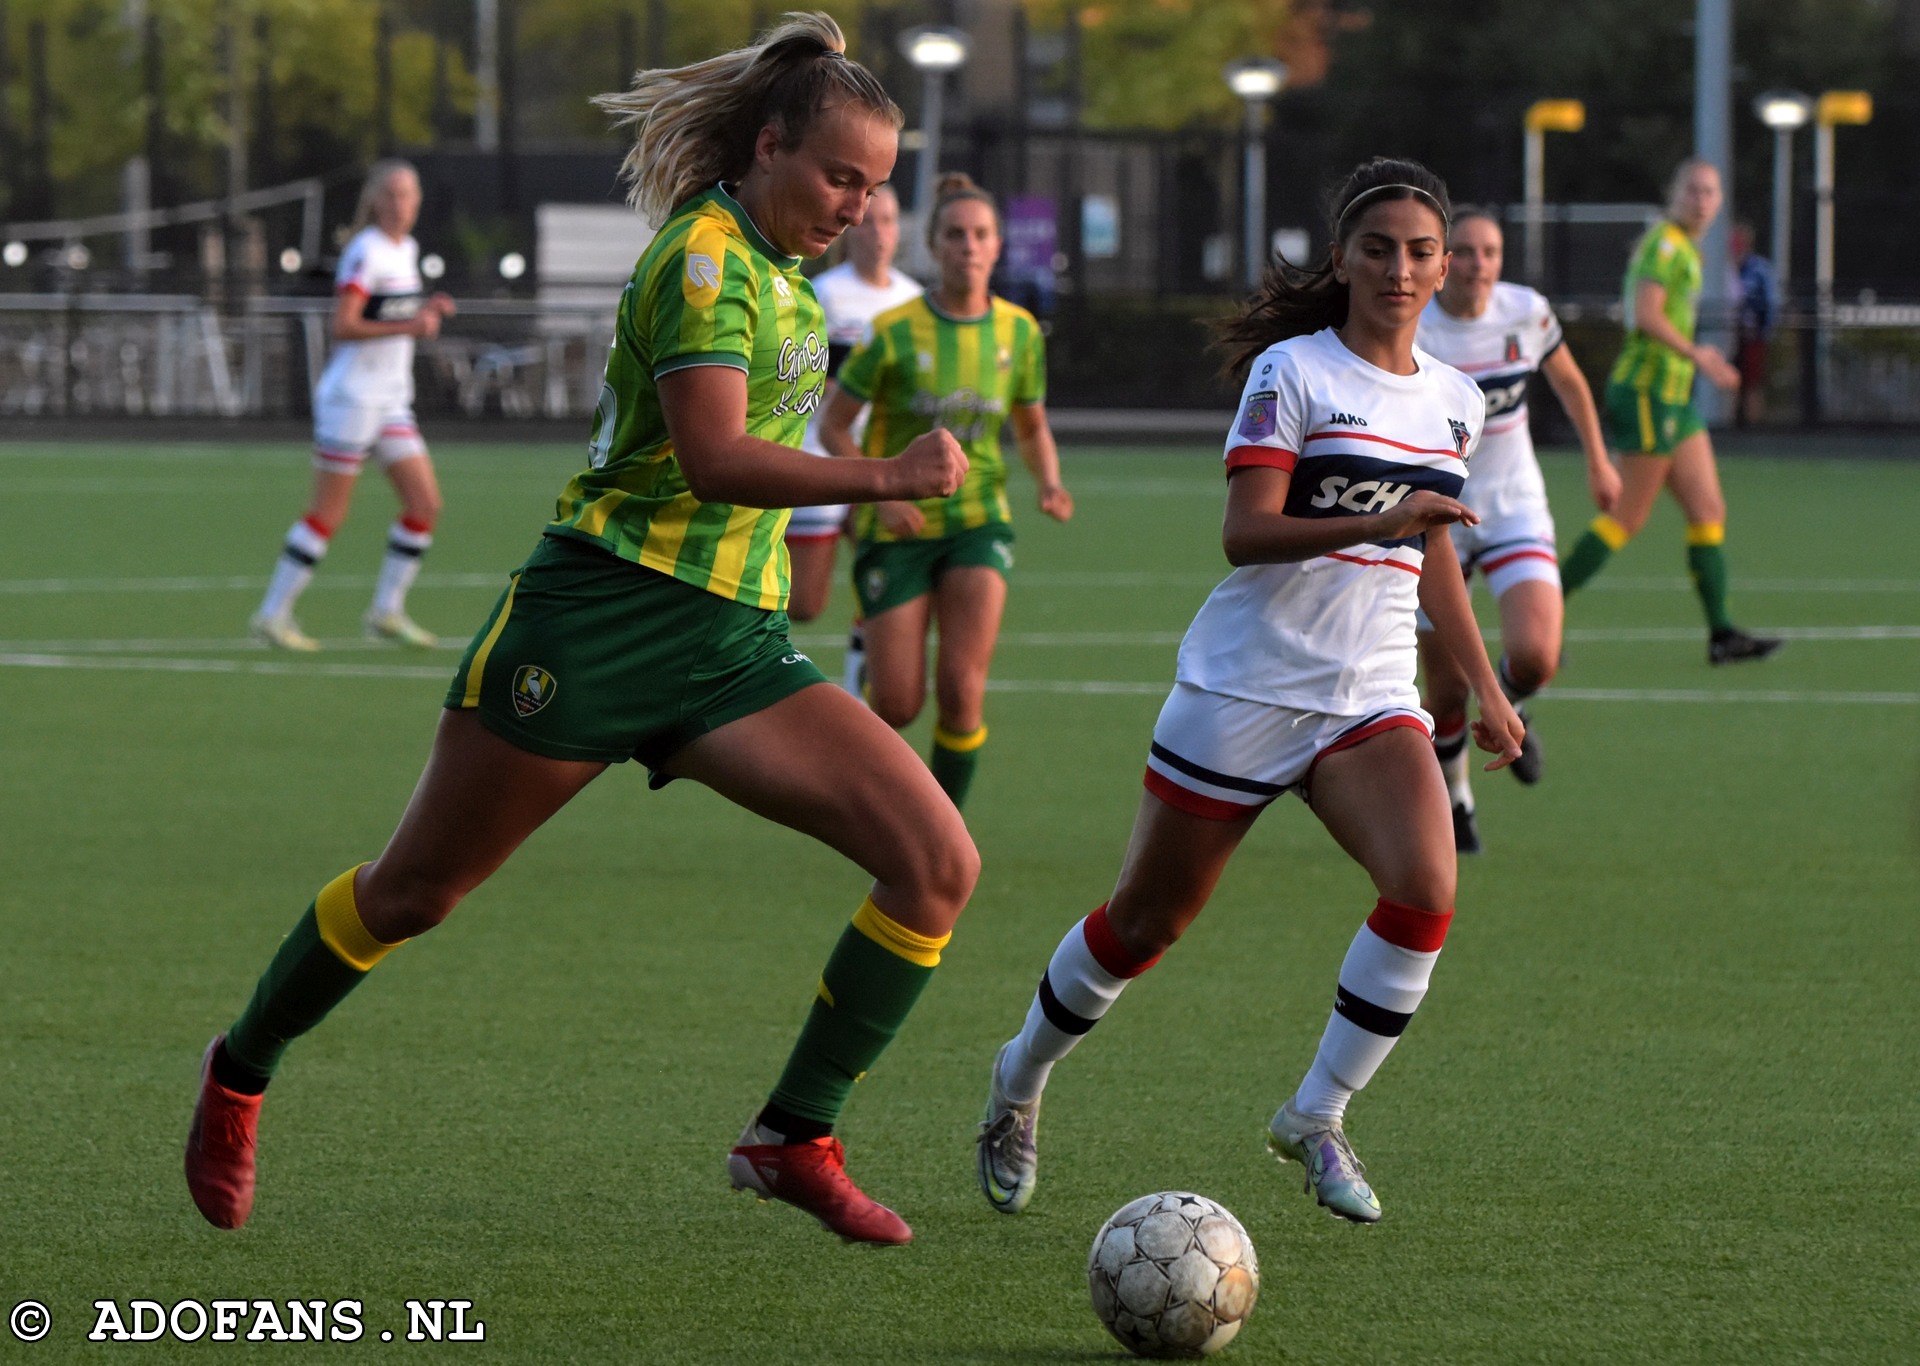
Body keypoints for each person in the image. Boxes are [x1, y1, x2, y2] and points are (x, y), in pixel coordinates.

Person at [185, 14, 976, 1248]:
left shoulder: (786, 273)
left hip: (731, 649)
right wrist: (889, 480)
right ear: (769, 147)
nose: (859, 209)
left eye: (875, 188)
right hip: (598, 620)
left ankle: (793, 1134)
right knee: (414, 893)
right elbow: (714, 457)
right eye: (840, 178)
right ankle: (239, 1069)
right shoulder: (704, 261)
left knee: (936, 864)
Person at [974, 159, 1525, 1226]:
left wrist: (1489, 691)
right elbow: (1246, 531)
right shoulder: (1293, 373)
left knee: (1426, 886)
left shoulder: (1455, 403)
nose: (1400, 269)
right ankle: (1019, 1080)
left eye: (1421, 251)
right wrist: (1377, 520)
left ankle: (1317, 1113)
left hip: (1367, 695)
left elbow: (1438, 556)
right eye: (1379, 249)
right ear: (1343, 259)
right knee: (1143, 922)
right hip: (1244, 688)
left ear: (1445, 262)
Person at [818, 172, 1071, 810]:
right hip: (897, 528)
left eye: (981, 234)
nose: (969, 246)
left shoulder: (1019, 333)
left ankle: (940, 825)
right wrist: (884, 494)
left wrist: (1049, 482)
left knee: (961, 688)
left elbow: (1031, 425)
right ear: (934, 246)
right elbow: (832, 424)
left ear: (998, 244)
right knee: (899, 704)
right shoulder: (896, 332)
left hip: (978, 520)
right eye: (955, 234)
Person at [1414, 207, 1619, 853]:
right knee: (1443, 690)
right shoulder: (1414, 325)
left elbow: (1571, 383)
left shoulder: (1526, 311)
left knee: (1537, 654)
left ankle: (1510, 704)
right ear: (1444, 261)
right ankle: (1457, 800)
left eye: (1492, 252)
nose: (1480, 265)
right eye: (1467, 252)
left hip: (1513, 506)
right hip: (1432, 513)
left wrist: (1597, 459)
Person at [1558, 161, 1780, 665]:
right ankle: (1544, 613)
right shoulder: (1665, 244)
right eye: (1693, 190)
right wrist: (1699, 354)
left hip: (1674, 397)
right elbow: (1647, 315)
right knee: (1628, 516)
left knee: (1708, 512)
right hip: (1646, 391)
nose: (1702, 200)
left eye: (1710, 192)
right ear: (1675, 195)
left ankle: (1722, 634)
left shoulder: (1688, 249)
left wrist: (1696, 362)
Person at [250, 160, 457, 651]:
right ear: (377, 200)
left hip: (390, 401)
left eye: (411, 194)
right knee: (327, 514)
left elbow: (393, 315)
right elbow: (343, 325)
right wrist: (411, 327)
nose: (404, 204)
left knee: (424, 504)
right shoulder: (366, 252)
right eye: (394, 194)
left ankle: (386, 612)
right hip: (352, 399)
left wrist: (426, 313)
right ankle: (272, 614)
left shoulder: (405, 250)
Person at [786, 182, 920, 690]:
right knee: (805, 605)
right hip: (823, 456)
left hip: (881, 465)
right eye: (871, 221)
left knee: (878, 588)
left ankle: (854, 695)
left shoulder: (912, 301)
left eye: (890, 222)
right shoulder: (825, 294)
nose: (880, 233)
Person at [1729, 222, 1779, 427]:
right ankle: (1727, 424)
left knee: (1752, 384)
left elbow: (1771, 301)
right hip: (1726, 334)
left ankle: (1753, 428)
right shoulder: (1720, 268)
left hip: (1752, 336)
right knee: (1727, 381)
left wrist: (1764, 332)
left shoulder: (1758, 269)